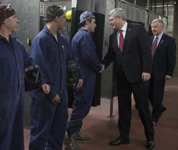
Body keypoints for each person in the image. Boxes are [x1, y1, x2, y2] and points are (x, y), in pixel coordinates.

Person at [0, 4, 50, 150]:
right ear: (4, 20)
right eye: (14, 17)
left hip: (17, 106)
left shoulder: (16, 45)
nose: (17, 21)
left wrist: (41, 81)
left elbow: (31, 64)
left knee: (16, 144)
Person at [29, 5, 82, 150]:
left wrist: (79, 76)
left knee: (59, 129)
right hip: (45, 95)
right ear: (56, 18)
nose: (65, 21)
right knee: (41, 130)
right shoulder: (40, 40)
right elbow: (40, 69)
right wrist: (52, 92)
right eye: (64, 17)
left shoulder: (62, 40)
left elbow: (71, 60)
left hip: (62, 93)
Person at [102, 8, 155, 149]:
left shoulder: (137, 29)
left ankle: (150, 138)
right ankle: (124, 137)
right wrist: (102, 65)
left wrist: (146, 70)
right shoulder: (114, 37)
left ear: (120, 17)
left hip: (139, 78)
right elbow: (111, 55)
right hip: (122, 79)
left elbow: (146, 50)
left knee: (143, 109)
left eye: (111, 19)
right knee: (124, 110)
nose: (109, 22)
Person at [63, 11, 104, 150]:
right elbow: (89, 56)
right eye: (94, 22)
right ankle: (69, 136)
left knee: (80, 104)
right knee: (81, 105)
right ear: (87, 22)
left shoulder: (79, 35)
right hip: (84, 76)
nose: (96, 25)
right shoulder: (85, 36)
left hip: (82, 75)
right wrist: (99, 67)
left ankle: (76, 131)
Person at [149, 19, 176, 127]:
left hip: (160, 73)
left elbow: (172, 58)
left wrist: (169, 73)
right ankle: (159, 107)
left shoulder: (169, 40)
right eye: (152, 27)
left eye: (155, 27)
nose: (153, 29)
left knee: (157, 95)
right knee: (148, 93)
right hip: (149, 72)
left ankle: (155, 117)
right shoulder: (149, 39)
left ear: (161, 27)